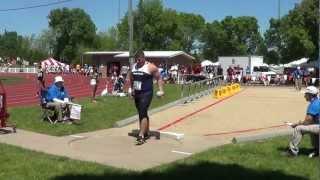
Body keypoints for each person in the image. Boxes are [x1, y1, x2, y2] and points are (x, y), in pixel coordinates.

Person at [127, 50, 164, 145]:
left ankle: (141, 135)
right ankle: (146, 132)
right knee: (141, 112)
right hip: (137, 93)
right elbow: (131, 78)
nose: (138, 61)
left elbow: (159, 78)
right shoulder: (134, 67)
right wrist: (131, 89)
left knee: (143, 111)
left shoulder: (150, 67)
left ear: (143, 58)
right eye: (136, 60)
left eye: (139, 59)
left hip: (147, 93)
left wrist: (161, 90)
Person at [285, 86, 320, 157]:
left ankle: (292, 152)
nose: (304, 96)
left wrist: (297, 124)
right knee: (312, 127)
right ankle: (317, 149)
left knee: (299, 128)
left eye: (306, 94)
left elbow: (307, 122)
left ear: (310, 95)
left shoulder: (314, 104)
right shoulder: (318, 101)